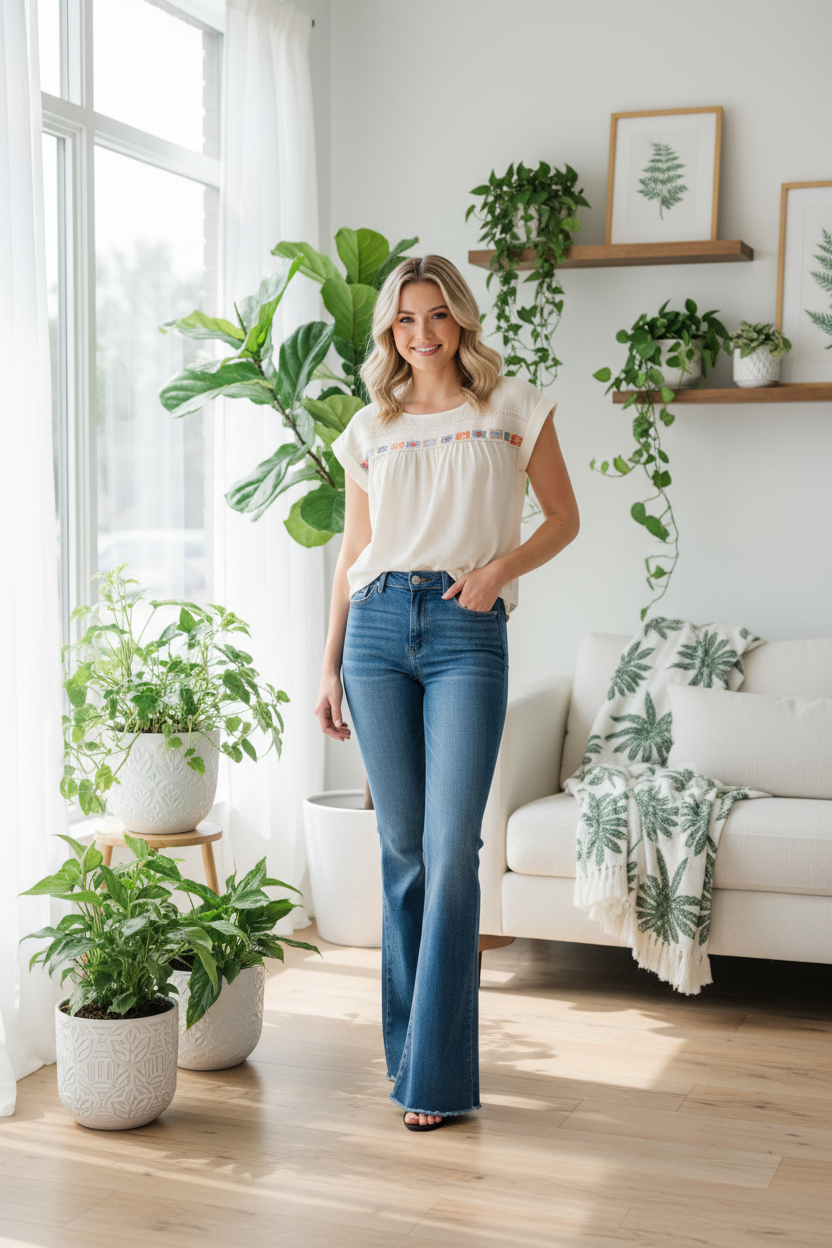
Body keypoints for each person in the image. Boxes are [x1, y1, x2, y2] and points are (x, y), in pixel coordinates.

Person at [315, 254, 579, 1131]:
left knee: (453, 848)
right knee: (403, 850)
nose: (421, 334)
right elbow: (354, 558)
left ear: (461, 319)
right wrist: (328, 666)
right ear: (388, 332)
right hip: (380, 631)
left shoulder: (511, 408)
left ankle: (433, 1078)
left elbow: (564, 519)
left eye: (435, 316)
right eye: (403, 321)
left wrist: (499, 568)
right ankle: (410, 1058)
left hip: (469, 632)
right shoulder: (370, 426)